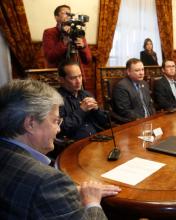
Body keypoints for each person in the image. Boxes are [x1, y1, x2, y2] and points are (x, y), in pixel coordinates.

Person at [0, 79, 120, 219]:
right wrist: (92, 202)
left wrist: (64, 193)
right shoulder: (48, 181)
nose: (58, 129)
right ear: (30, 124)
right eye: (56, 121)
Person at [57, 60, 108, 140]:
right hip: (73, 143)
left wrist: (97, 109)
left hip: (97, 138)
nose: (78, 81)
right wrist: (81, 110)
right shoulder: (55, 99)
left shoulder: (86, 94)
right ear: (62, 80)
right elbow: (61, 127)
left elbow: (104, 121)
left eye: (80, 76)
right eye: (73, 78)